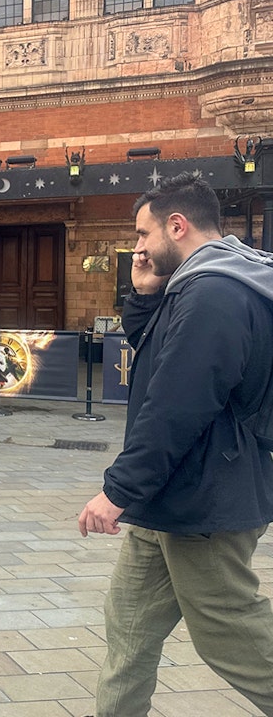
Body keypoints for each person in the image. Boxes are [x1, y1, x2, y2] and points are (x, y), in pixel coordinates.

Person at [78, 172, 273, 717]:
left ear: (177, 225)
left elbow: (177, 403)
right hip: (170, 499)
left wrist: (118, 491)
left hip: (207, 497)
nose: (136, 248)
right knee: (129, 631)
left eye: (143, 235)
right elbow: (162, 355)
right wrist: (143, 296)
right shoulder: (200, 283)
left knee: (231, 634)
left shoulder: (215, 293)